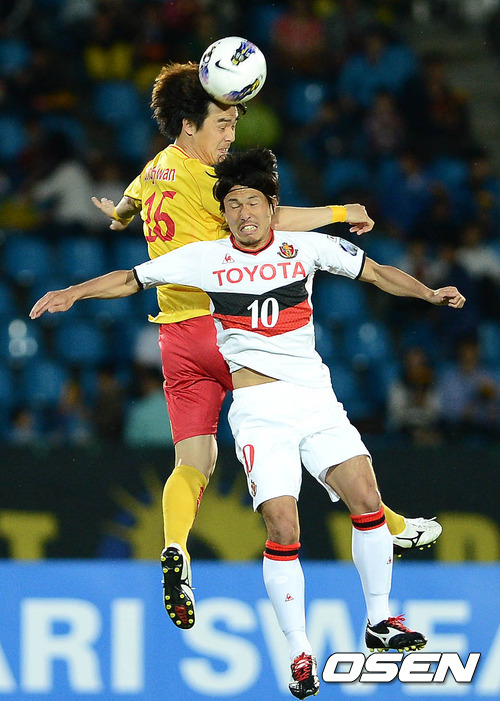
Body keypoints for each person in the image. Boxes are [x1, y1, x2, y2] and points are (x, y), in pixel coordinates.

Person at [30, 148, 466, 701]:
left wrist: (428, 293)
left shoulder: (306, 246)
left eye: (252, 202)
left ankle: (380, 620)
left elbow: (377, 272)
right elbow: (130, 279)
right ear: (225, 214)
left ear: (271, 206)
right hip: (260, 413)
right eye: (233, 205)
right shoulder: (205, 258)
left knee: (366, 497)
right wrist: (74, 291)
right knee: (284, 528)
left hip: (315, 400)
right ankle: (299, 652)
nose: (243, 213)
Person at [89, 62, 440, 632]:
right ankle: (387, 525)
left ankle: (175, 544)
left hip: (175, 337)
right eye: (223, 125)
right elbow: (271, 221)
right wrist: (340, 213)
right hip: (228, 323)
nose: (231, 137)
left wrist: (120, 214)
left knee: (192, 462)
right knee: (299, 425)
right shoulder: (209, 180)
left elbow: (130, 204)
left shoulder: (154, 170)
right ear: (189, 126)